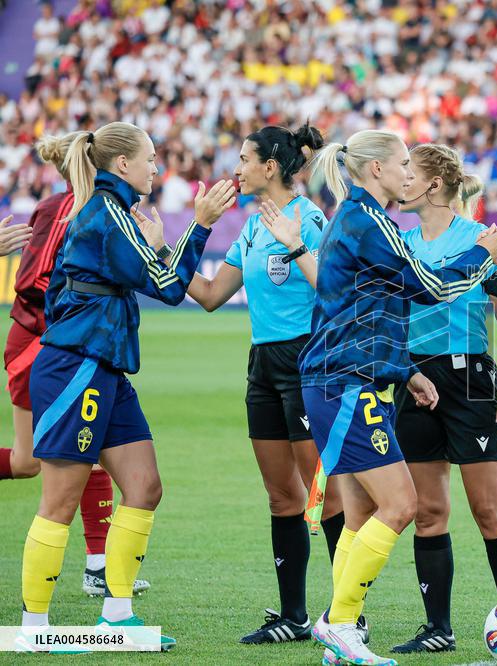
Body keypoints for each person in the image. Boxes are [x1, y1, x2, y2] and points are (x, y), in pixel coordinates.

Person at [297, 129, 497, 666]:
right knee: (402, 504)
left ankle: (338, 629)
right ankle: (341, 623)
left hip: (349, 377)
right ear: (376, 171)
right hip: (344, 380)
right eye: (401, 164)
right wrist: (482, 253)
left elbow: (373, 304)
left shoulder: (360, 218)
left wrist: (404, 371)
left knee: (365, 507)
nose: (406, 174)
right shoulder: (369, 222)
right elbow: (431, 289)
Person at [17, 122, 234, 651]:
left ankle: (117, 616)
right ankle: (33, 630)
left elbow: (146, 275)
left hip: (104, 367)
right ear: (121, 166)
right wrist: (200, 226)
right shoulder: (107, 213)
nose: (156, 168)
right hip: (78, 367)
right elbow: (167, 287)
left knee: (144, 487)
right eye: (151, 159)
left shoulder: (112, 213)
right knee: (60, 499)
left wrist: (156, 246)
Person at [185, 123, 345, 644]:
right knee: (282, 497)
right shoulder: (253, 226)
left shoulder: (311, 219)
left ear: (270, 167)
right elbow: (209, 295)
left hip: (306, 362)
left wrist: (298, 247)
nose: (237, 169)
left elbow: (334, 290)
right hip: (263, 366)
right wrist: (180, 241)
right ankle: (294, 616)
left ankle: (349, 613)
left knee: (325, 495)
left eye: (245, 160)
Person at [386, 143, 497, 654]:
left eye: (411, 174)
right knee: (428, 513)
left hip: (470, 381)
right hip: (414, 382)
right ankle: (438, 628)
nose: (402, 182)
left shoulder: (481, 240)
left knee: (490, 510)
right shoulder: (399, 241)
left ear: (437, 185)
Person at [2, 132, 150, 599]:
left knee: (98, 456)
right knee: (36, 464)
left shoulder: (103, 209)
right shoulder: (66, 208)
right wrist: (78, 310)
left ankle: (97, 565)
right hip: (48, 343)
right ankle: (82, 577)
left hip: (83, 346)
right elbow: (36, 280)